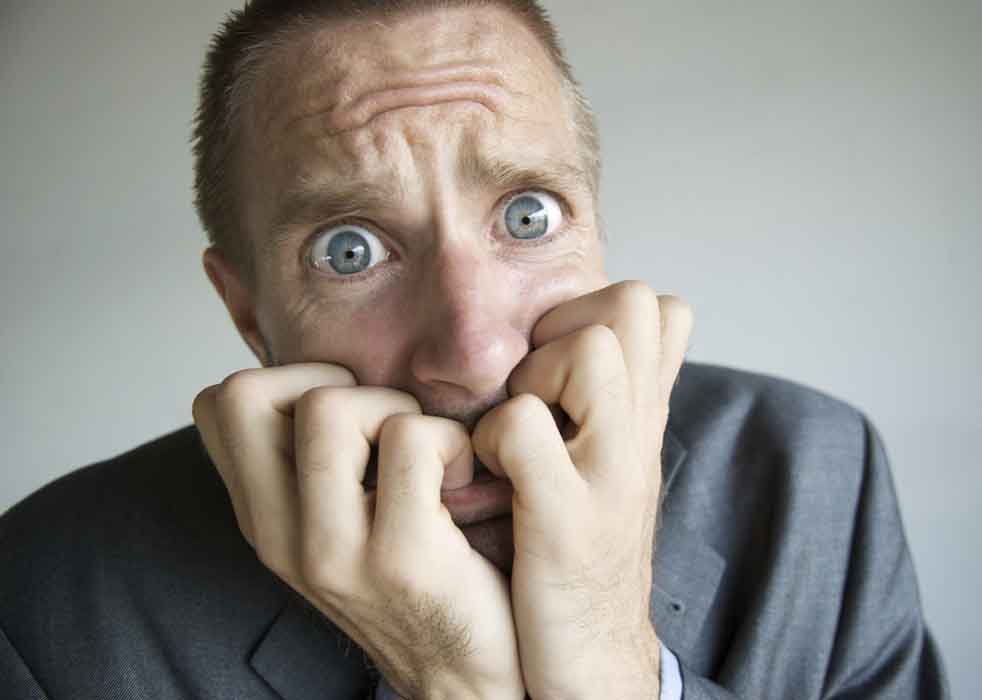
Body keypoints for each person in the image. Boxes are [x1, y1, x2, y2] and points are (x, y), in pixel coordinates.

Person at [0, 1, 948, 699]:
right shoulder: (49, 604)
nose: (475, 352)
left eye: (527, 216)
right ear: (249, 314)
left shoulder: (814, 473)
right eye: (348, 250)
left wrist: (609, 661)